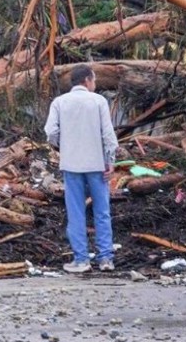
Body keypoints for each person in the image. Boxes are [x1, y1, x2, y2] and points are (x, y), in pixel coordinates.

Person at [44, 64, 118, 274]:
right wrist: (110, 159)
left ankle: (81, 260)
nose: (94, 84)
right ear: (87, 80)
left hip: (72, 164)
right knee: (102, 212)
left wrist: (63, 145)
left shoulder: (60, 102)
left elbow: (50, 132)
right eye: (93, 80)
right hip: (97, 165)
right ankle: (105, 259)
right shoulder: (98, 101)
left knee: (76, 213)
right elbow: (107, 134)